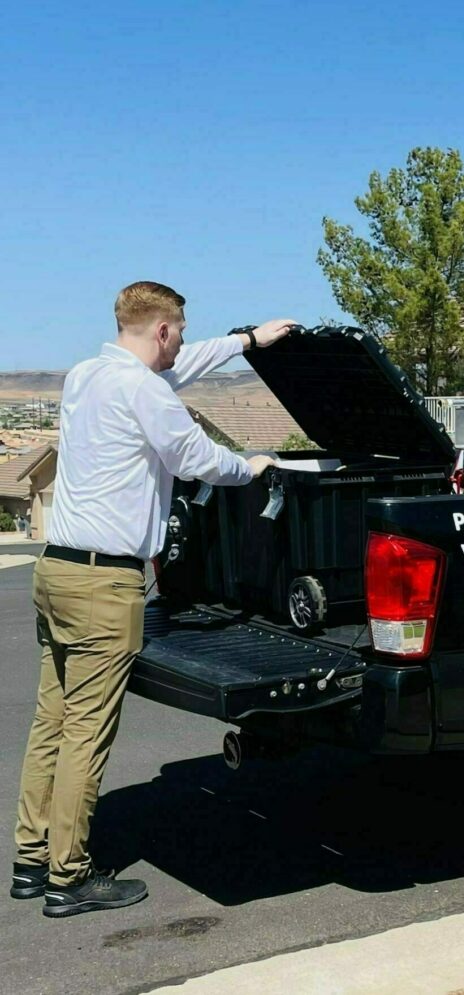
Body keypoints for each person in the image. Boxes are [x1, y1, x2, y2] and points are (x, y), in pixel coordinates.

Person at [10, 281, 297, 918]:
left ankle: (31, 860)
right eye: (182, 333)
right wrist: (252, 465)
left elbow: (174, 368)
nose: (183, 345)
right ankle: (71, 877)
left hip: (56, 572)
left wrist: (247, 341)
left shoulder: (88, 375)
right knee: (88, 732)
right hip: (104, 586)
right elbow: (195, 457)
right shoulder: (143, 390)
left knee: (50, 724)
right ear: (163, 329)